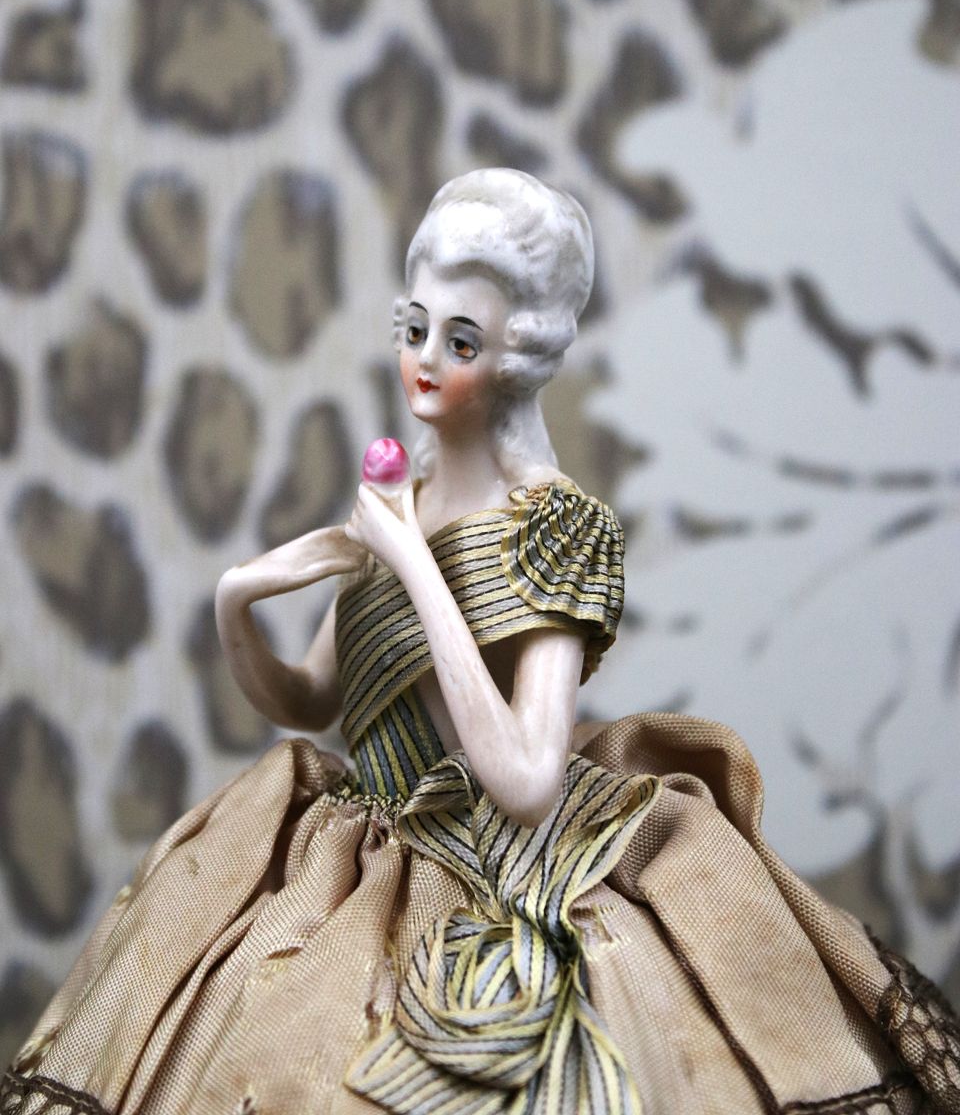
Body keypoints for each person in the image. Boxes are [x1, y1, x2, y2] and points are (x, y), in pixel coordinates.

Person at [3, 170, 957, 1115]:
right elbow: (311, 699)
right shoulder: (402, 502)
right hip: (365, 858)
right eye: (413, 328)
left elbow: (527, 779)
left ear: (516, 355)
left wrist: (412, 564)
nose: (425, 359)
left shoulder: (554, 526)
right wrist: (239, 596)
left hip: (512, 864)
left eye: (460, 341)